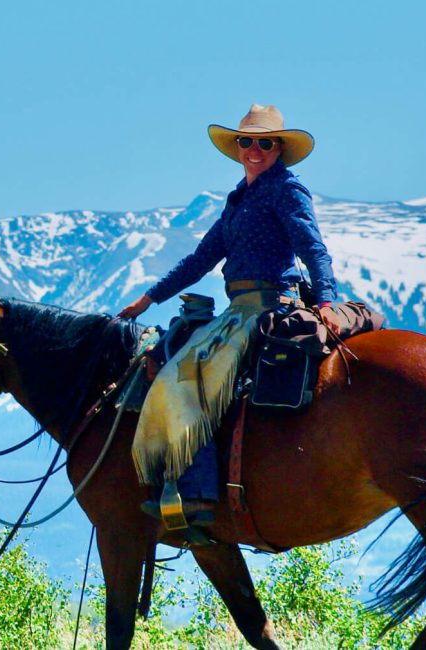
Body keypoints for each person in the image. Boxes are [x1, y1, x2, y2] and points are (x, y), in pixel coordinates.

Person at [117, 104, 341, 532]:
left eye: (264, 142)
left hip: (270, 307)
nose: (254, 149)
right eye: (246, 141)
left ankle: (198, 496)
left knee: (195, 378)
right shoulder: (239, 199)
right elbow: (201, 259)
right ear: (237, 147)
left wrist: (326, 300)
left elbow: (313, 249)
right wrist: (150, 297)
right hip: (237, 311)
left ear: (278, 148)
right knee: (175, 366)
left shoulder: (286, 190)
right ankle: (176, 483)